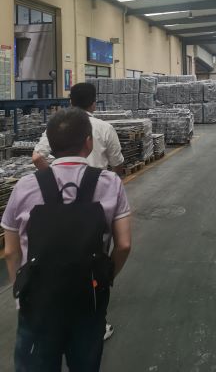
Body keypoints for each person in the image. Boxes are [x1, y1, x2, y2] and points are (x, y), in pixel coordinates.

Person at [2, 108, 131, 372]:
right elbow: (124, 244)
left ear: (50, 144)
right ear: (88, 142)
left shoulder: (25, 186)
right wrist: (105, 280)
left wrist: (20, 292)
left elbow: (11, 251)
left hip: (38, 303)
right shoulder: (110, 183)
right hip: (88, 299)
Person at [33, 82, 124, 340]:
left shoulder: (57, 126)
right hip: (97, 204)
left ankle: (59, 319)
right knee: (95, 261)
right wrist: (111, 184)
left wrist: (52, 179)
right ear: (94, 103)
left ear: (70, 101)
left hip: (60, 203)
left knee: (61, 258)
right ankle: (94, 323)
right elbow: (118, 164)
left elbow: (37, 158)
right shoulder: (104, 128)